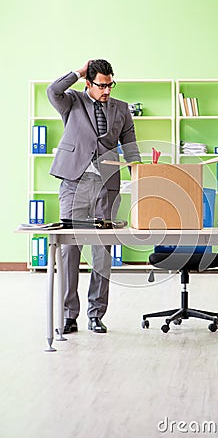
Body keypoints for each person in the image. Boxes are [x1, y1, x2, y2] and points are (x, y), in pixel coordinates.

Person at [47, 59, 141, 334]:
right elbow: (53, 90)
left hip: (106, 185)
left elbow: (131, 145)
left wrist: (140, 179)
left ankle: (96, 314)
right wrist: (77, 71)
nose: (107, 90)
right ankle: (68, 316)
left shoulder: (121, 109)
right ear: (88, 82)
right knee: (70, 250)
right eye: (102, 85)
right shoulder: (72, 101)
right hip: (74, 182)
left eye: (111, 84)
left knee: (102, 252)